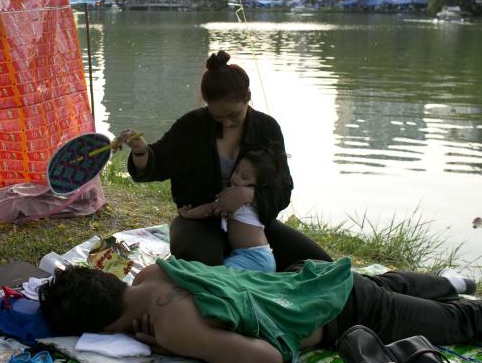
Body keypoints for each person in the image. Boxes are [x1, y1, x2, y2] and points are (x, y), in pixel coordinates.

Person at [39, 258, 482, 363]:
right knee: (389, 285)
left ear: (107, 328)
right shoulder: (146, 277)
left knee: (459, 325)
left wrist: (178, 349)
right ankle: (454, 278)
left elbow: (269, 362)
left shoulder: (170, 326)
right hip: (308, 280)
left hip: (342, 310)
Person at [115, 50, 330, 271]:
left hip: (251, 223)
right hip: (198, 221)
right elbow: (156, 164)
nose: (226, 123)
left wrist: (249, 195)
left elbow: (283, 189)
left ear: (247, 96)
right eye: (218, 117)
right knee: (206, 268)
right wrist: (141, 151)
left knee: (320, 265)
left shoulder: (266, 129)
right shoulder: (192, 126)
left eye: (234, 116)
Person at [178, 149, 281, 272]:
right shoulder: (252, 203)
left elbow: (210, 208)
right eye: (236, 171)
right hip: (259, 257)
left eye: (244, 177)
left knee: (217, 275)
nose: (236, 178)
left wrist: (188, 214)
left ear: (256, 186)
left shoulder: (237, 200)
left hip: (255, 258)